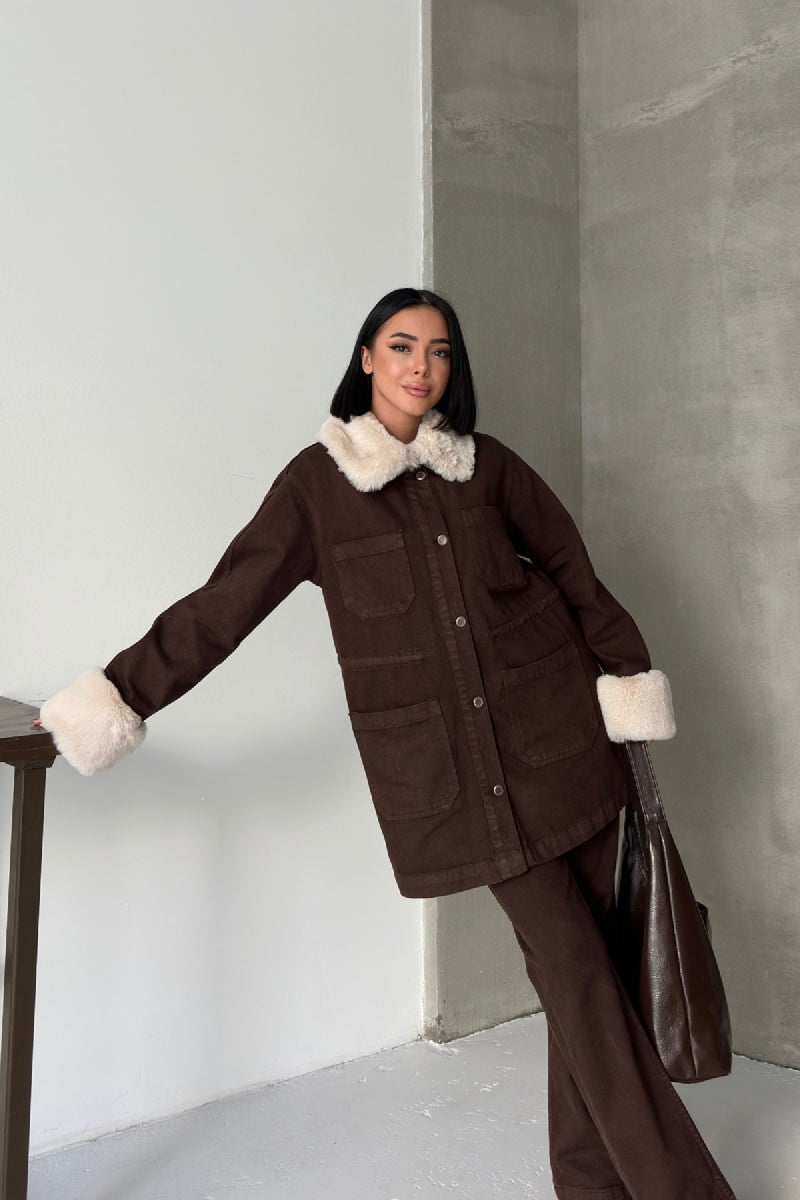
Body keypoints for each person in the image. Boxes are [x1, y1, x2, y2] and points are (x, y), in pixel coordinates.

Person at [37, 287, 736, 1199]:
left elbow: (574, 573)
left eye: (439, 351)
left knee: (589, 982)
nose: (421, 367)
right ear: (366, 357)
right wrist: (113, 698)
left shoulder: (489, 467)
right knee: (578, 975)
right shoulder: (315, 488)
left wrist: (628, 680)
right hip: (462, 783)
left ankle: (593, 1186)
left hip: (565, 743)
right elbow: (223, 607)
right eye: (401, 346)